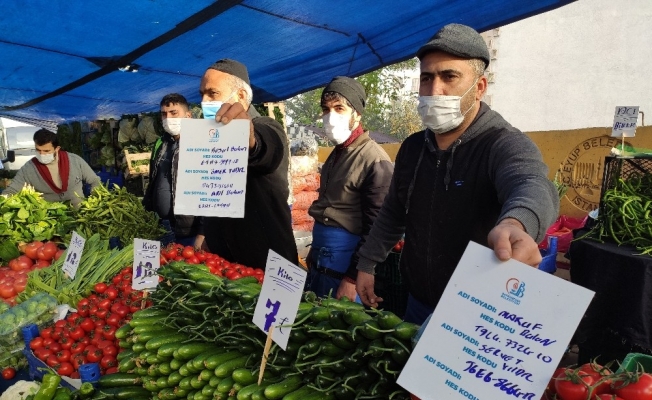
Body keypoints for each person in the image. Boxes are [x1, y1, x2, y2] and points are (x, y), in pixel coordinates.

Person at [354, 24, 559, 324]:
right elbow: (393, 212)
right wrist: (367, 262)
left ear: (479, 87)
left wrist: (517, 222)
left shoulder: (502, 144)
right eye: (427, 78)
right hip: (417, 304)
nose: (434, 90)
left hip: (476, 313)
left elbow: (531, 182)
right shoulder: (412, 149)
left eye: (449, 76)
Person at [199, 59, 298, 269]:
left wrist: (250, 139)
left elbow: (266, 147)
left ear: (241, 96)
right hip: (228, 268)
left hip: (270, 266)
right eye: (202, 94)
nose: (204, 101)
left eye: (212, 93)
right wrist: (208, 234)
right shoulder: (212, 140)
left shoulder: (268, 126)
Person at [306, 76, 393, 300]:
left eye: (339, 108)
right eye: (326, 109)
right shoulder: (336, 154)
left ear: (357, 114)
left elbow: (377, 227)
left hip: (345, 266)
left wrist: (353, 277)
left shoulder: (373, 159)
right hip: (322, 260)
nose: (330, 116)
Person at [142, 93, 205, 248]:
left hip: (189, 230)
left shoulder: (200, 144)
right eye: (164, 114)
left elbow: (210, 191)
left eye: (174, 113)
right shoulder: (160, 143)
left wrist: (203, 232)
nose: (168, 118)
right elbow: (154, 180)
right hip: (161, 227)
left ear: (188, 116)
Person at [3, 129, 100, 207]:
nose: (41, 154)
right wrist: (3, 199)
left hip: (79, 213)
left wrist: (95, 196)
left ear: (57, 149)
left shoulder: (75, 161)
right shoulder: (28, 169)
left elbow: (94, 180)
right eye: (38, 150)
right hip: (51, 219)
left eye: (46, 151)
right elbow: (12, 190)